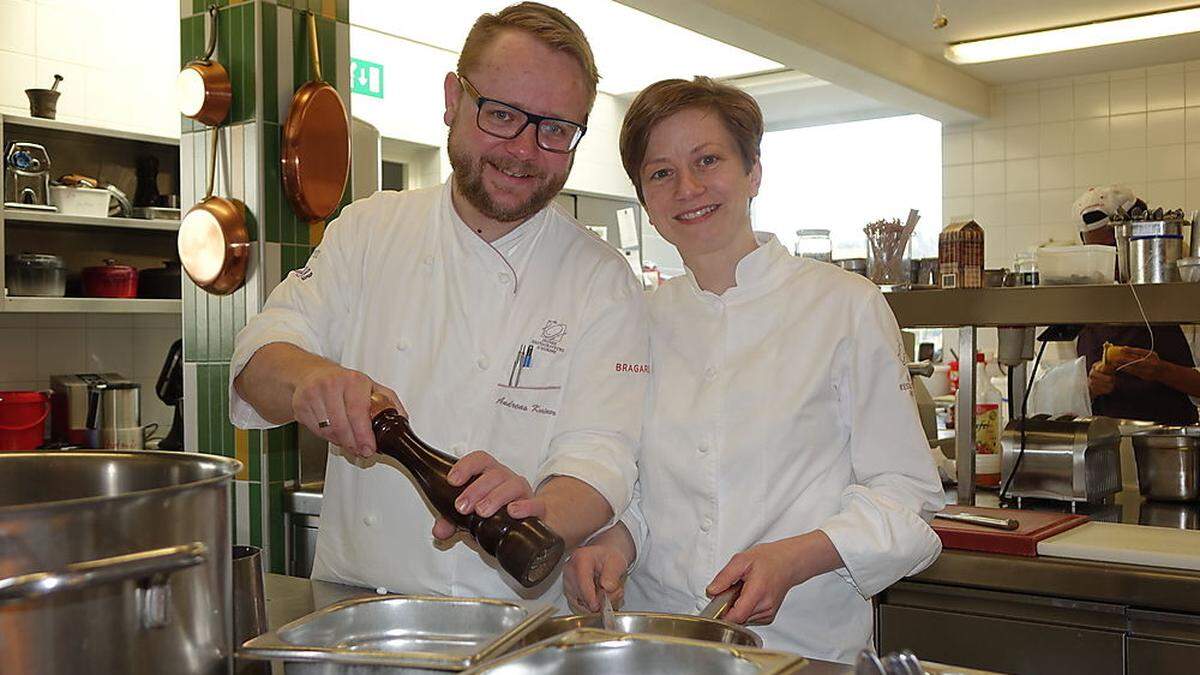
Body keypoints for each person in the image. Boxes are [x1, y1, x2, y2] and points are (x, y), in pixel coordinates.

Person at [229, 2, 649, 601]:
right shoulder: (369, 230)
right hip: (358, 609)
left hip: (514, 627)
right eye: (501, 114)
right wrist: (310, 380)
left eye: (556, 129)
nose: (524, 151)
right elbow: (257, 359)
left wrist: (535, 512)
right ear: (454, 99)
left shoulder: (602, 279)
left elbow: (603, 456)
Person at [562, 77, 945, 663]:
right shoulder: (641, 318)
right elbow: (648, 488)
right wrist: (617, 538)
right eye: (661, 172)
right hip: (663, 639)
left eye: (707, 160)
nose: (687, 187)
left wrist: (794, 557)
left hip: (800, 645)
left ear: (753, 173)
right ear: (645, 197)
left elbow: (906, 493)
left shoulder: (844, 306)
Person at [1073, 185, 1200, 425]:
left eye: (1114, 248)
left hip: (1170, 448)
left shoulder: (1183, 292)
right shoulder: (1084, 303)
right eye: (1097, 251)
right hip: (1103, 449)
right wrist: (1089, 387)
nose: (1110, 261)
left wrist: (1162, 371)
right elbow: (1056, 392)